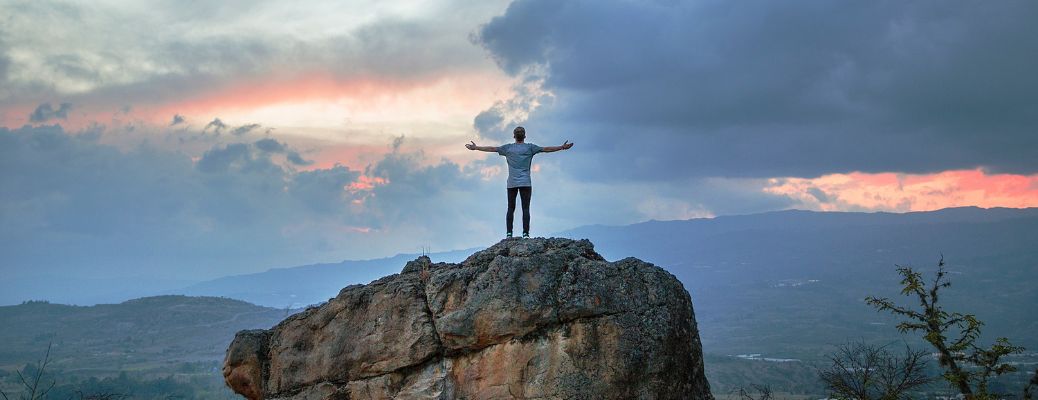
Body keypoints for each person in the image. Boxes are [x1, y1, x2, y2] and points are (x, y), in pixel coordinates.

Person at [466, 126, 574, 238]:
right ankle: (526, 234)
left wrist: (476, 147)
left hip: (512, 183)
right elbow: (546, 149)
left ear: (514, 136)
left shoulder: (508, 148)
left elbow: (492, 149)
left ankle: (509, 234)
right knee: (525, 208)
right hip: (526, 183)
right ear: (525, 136)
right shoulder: (530, 148)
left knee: (510, 208)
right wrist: (561, 147)